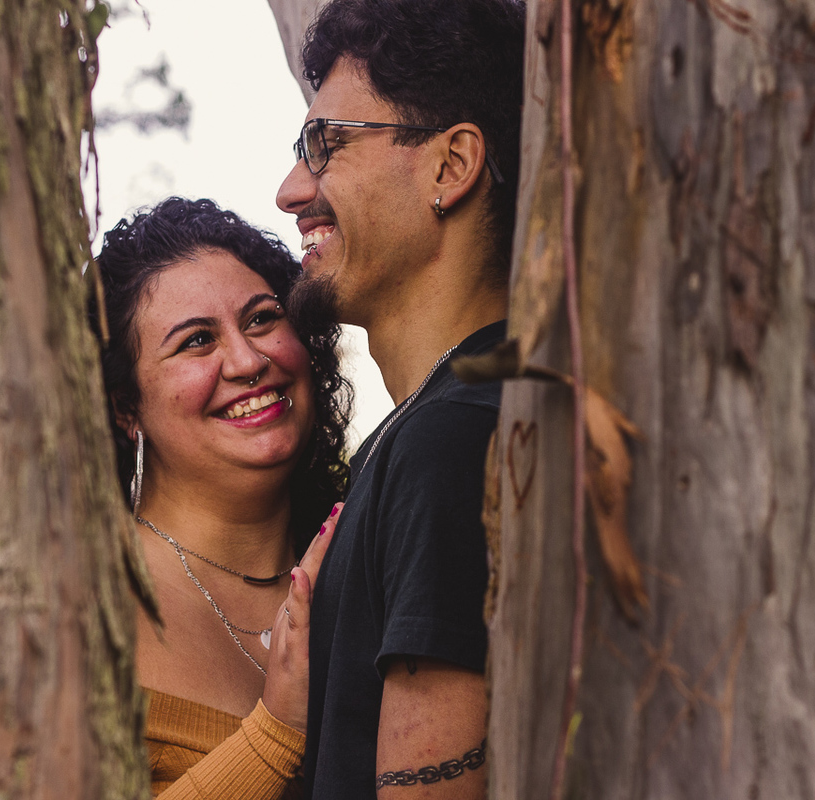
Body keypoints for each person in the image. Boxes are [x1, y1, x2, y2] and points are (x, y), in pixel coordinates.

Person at [273, 0, 526, 797]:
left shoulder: (451, 440)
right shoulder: (440, 422)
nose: (289, 191)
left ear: (451, 167)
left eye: (326, 145)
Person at [92, 197, 352, 798]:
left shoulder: (362, 547)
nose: (247, 360)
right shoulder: (80, 603)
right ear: (126, 407)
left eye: (262, 319)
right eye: (197, 341)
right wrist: (275, 735)